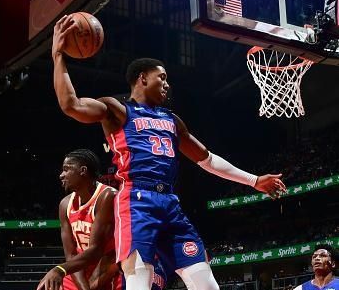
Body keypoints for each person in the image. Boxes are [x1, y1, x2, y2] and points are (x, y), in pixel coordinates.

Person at [48, 15, 287, 290]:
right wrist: (58, 55)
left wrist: (254, 180)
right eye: (161, 77)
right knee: (139, 282)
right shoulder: (117, 110)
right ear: (142, 78)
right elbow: (71, 105)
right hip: (136, 201)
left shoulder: (172, 121)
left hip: (170, 204)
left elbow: (206, 159)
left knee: (207, 285)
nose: (167, 84)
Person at [37, 149, 166, 290]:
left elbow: (96, 250)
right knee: (47, 285)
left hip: (111, 263)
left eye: (66, 170)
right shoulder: (65, 205)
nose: (61, 175)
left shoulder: (107, 196)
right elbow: (71, 254)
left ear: (83, 170)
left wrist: (59, 269)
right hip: (81, 264)